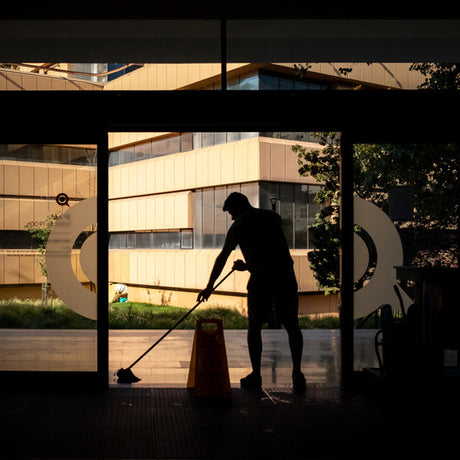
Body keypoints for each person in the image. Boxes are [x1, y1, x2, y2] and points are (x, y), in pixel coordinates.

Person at [197, 192, 306, 393]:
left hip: (261, 281)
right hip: (285, 277)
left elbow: (223, 257)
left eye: (231, 213)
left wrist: (210, 286)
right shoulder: (273, 218)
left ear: (238, 208)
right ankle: (298, 373)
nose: (231, 217)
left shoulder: (239, 225)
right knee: (292, 325)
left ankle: (256, 375)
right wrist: (248, 265)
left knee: (254, 326)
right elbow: (273, 254)